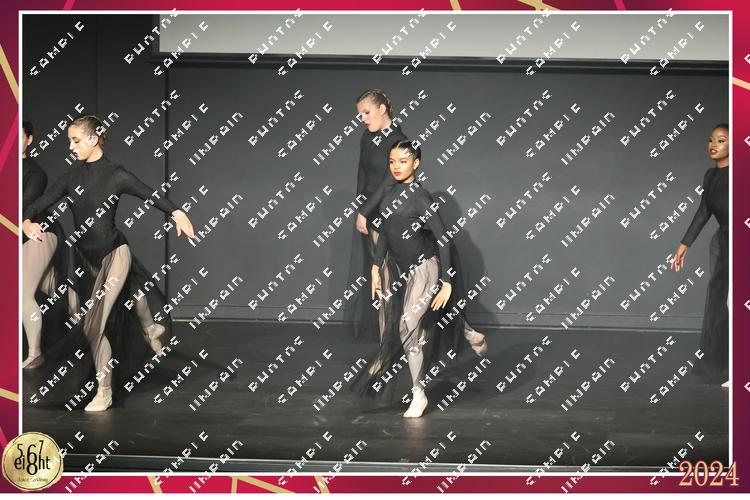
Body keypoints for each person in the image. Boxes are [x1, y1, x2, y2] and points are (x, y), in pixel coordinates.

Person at [22, 115, 195, 411]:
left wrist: (178, 213)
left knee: (94, 325)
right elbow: (39, 203)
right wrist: (27, 222)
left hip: (114, 253)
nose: (71, 147)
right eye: (70, 141)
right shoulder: (72, 176)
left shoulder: (116, 175)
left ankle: (104, 392)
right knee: (115, 303)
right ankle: (150, 327)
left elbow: (150, 195)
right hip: (85, 259)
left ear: (93, 139)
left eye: (76, 141)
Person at [350, 140, 488, 418]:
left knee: (408, 324)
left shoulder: (422, 198)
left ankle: (418, 394)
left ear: (416, 163)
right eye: (392, 161)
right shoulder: (388, 193)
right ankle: (467, 331)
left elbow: (443, 239)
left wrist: (447, 282)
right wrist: (376, 267)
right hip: (400, 268)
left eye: (403, 161)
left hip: (425, 267)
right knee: (414, 322)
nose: (396, 166)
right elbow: (386, 232)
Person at [344, 89, 407, 342]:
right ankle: (385, 335)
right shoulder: (366, 137)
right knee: (377, 275)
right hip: (369, 212)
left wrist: (365, 211)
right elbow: (362, 174)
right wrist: (360, 209)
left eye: (367, 113)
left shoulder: (399, 140)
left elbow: (388, 181)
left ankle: (392, 337)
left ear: (382, 109)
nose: (363, 119)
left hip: (389, 212)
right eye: (360, 115)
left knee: (388, 275)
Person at [671, 123, 729, 388]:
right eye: (711, 140)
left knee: (736, 304)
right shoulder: (710, 176)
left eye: (721, 140)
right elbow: (704, 210)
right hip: (724, 242)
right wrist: (685, 244)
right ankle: (727, 366)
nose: (713, 145)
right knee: (721, 303)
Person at [21, 121, 80, 369]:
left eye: (20, 137)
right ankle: (92, 320)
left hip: (39, 231)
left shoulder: (35, 173)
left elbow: (24, 208)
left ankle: (35, 354)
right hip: (16, 233)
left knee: (22, 293)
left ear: (29, 140)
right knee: (52, 286)